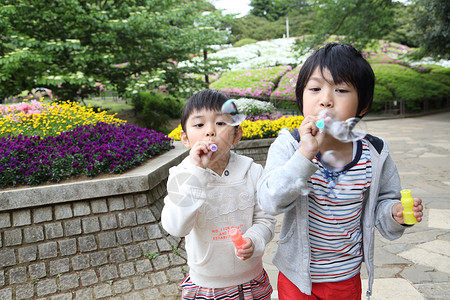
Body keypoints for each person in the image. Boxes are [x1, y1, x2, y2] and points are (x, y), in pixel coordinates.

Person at [257, 43, 424, 300]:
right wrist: (305, 154)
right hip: (297, 277)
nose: (325, 99)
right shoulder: (289, 145)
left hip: (345, 276)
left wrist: (395, 213)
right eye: (314, 89)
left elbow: (383, 204)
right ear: (301, 98)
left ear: (363, 105)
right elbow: (270, 199)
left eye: (341, 90)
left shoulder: (374, 152)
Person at [161, 89, 276, 299]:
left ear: (236, 134)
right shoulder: (182, 176)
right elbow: (176, 227)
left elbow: (265, 218)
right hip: (206, 284)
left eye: (221, 123)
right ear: (185, 139)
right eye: (199, 124)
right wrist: (196, 172)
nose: (210, 131)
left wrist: (254, 239)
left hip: (251, 279)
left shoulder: (253, 171)